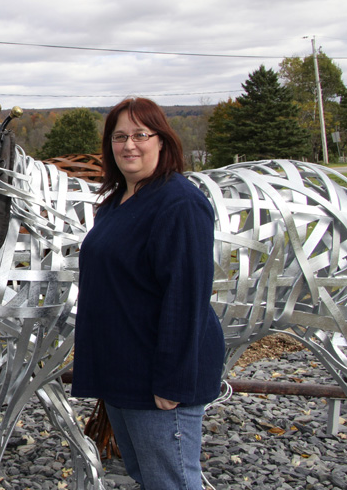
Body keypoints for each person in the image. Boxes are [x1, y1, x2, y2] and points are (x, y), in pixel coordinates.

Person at [71, 97, 224, 489]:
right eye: (119, 136)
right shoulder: (117, 202)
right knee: (147, 475)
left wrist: (172, 382)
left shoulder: (179, 203)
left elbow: (186, 297)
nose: (129, 145)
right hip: (124, 370)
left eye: (140, 134)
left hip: (158, 378)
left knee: (169, 480)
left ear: (162, 141)